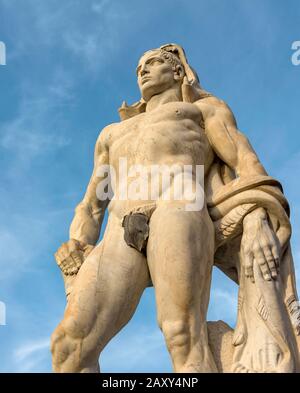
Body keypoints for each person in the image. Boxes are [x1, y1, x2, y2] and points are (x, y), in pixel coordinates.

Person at [51, 44, 299, 373]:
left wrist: (256, 219)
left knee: (181, 335)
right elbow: (93, 204)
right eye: (139, 65)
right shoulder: (111, 134)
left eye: (153, 62)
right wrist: (77, 244)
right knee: (68, 347)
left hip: (179, 203)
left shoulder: (203, 111)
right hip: (120, 225)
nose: (142, 69)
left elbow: (247, 164)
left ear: (177, 71)